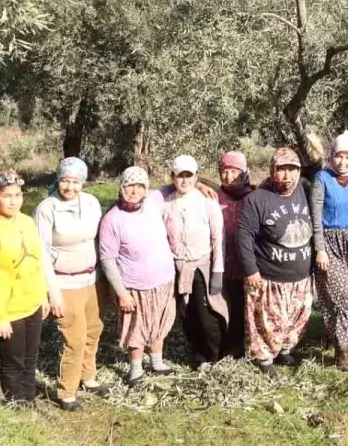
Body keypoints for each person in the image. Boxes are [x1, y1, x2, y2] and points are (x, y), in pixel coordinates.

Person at [33, 157, 106, 412]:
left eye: (75, 181)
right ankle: (67, 391)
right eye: (65, 180)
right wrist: (52, 291)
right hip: (64, 281)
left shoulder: (92, 203)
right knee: (74, 337)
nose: (69, 187)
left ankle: (88, 376)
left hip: (93, 279)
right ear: (58, 179)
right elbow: (40, 251)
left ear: (83, 182)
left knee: (94, 329)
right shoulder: (46, 208)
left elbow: (99, 239)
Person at [0, 169, 49, 407]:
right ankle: (17, 406)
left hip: (32, 304)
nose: (14, 200)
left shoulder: (26, 222)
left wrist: (42, 296)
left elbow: (36, 262)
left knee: (30, 359)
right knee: (13, 363)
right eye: (7, 195)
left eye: (18, 194)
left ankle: (30, 401)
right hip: (7, 312)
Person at [99, 167, 178, 387]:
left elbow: (177, 184)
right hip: (134, 286)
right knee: (136, 327)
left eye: (140, 186)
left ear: (146, 189)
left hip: (163, 280)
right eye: (130, 186)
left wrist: (201, 185)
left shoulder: (153, 202)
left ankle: (157, 363)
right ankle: (136, 371)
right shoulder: (112, 219)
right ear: (122, 187)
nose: (134, 191)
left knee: (159, 323)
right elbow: (107, 259)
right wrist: (121, 293)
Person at [238, 147, 314, 375]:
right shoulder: (257, 199)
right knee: (266, 322)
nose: (287, 176)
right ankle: (264, 358)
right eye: (282, 170)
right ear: (272, 171)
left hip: (300, 277)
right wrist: (250, 269)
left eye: (292, 170)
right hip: (269, 277)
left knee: (297, 317)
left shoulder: (306, 190)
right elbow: (244, 235)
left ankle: (285, 350)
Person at [162, 155, 229, 370]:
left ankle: (213, 355)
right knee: (186, 314)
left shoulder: (207, 203)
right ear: (172, 177)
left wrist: (218, 271)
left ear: (196, 176)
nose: (184, 180)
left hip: (203, 266)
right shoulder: (166, 204)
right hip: (178, 267)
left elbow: (218, 239)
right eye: (179, 175)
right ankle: (197, 353)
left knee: (206, 315)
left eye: (189, 175)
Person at [311, 132, 348, 370]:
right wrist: (320, 249)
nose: (343, 163)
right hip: (329, 242)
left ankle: (336, 340)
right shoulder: (321, 178)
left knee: (346, 294)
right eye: (339, 156)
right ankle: (343, 353)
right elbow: (315, 217)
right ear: (332, 156)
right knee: (343, 299)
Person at [216, 150, 253, 357]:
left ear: (244, 172)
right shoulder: (213, 196)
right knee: (224, 304)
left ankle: (243, 345)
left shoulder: (254, 196)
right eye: (224, 171)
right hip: (222, 262)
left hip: (246, 263)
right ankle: (225, 344)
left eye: (234, 171)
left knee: (243, 305)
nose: (228, 176)